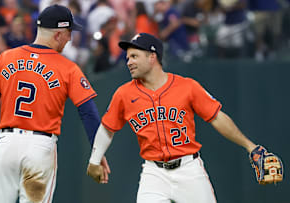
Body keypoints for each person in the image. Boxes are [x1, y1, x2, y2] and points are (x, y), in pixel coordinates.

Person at [86, 33, 261, 203]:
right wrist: (94, 160)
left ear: (152, 57)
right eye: (128, 58)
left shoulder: (187, 87)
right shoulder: (124, 94)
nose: (129, 62)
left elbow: (217, 118)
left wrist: (249, 145)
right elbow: (107, 128)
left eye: (134, 56)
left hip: (189, 169)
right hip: (153, 172)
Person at [0, 4, 109, 203]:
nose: (70, 38)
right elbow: (88, 113)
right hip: (40, 147)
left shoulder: (6, 57)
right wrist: (98, 153)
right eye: (68, 33)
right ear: (58, 34)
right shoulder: (68, 68)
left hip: (6, 145)